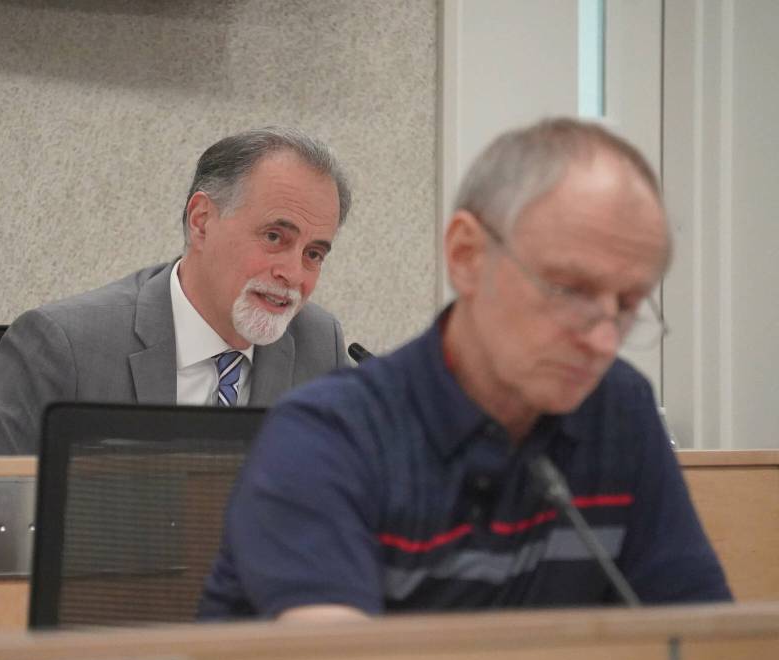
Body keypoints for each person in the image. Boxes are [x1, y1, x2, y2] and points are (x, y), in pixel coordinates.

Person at [199, 118, 732, 621]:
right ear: (467, 256)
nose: (601, 339)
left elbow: (705, 645)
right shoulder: (326, 436)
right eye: (570, 291)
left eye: (628, 304)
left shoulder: (618, 408)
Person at [0, 127, 352, 455]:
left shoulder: (319, 348)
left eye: (314, 253)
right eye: (274, 236)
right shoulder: (64, 347)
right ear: (201, 222)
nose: (293, 274)